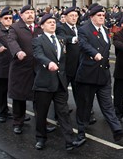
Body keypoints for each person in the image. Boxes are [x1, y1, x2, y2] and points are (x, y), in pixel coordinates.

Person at [75, 4, 123, 142]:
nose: (101, 18)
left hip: (103, 74)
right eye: (98, 15)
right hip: (88, 74)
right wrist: (94, 53)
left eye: (103, 16)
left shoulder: (104, 30)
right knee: (85, 106)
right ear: (92, 17)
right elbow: (83, 44)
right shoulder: (84, 29)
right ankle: (81, 133)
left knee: (107, 105)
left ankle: (117, 130)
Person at [32, 14, 86, 151]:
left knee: (63, 113)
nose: (52, 24)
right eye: (49, 23)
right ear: (42, 26)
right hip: (44, 83)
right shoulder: (38, 40)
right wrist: (48, 63)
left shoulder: (61, 39)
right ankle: (40, 138)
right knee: (42, 112)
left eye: (53, 22)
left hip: (60, 82)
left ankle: (69, 140)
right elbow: (38, 55)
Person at [7, 5, 55, 134]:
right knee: (19, 97)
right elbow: (11, 41)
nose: (30, 15)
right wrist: (18, 52)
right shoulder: (15, 27)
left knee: (40, 98)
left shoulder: (40, 28)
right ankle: (18, 122)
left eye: (32, 13)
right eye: (27, 13)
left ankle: (42, 123)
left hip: (39, 68)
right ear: (21, 15)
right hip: (21, 67)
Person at [56, 6, 80, 104]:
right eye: (71, 16)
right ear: (65, 17)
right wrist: (73, 39)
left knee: (80, 92)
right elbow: (62, 37)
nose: (74, 18)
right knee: (62, 92)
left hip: (79, 66)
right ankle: (61, 114)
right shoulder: (61, 27)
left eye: (76, 16)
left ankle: (83, 113)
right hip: (67, 66)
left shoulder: (80, 28)